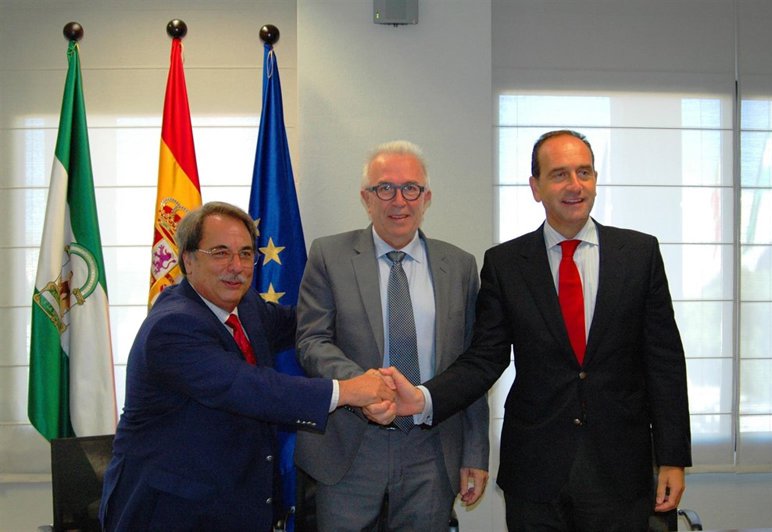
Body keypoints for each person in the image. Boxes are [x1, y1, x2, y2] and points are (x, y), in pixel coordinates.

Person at [385, 130, 692, 531]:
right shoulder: (506, 264)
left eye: (584, 172)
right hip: (536, 473)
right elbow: (485, 359)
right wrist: (424, 398)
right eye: (560, 174)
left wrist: (672, 457)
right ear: (536, 187)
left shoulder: (639, 254)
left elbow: (664, 362)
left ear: (595, 180)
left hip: (620, 471)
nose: (575, 185)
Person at [98, 201, 394, 531]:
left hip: (230, 504)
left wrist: (372, 313)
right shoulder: (173, 326)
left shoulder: (245, 305)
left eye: (245, 253)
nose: (236, 266)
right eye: (220, 253)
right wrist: (348, 390)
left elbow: (302, 323)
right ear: (188, 260)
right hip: (170, 512)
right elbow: (251, 388)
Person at [293, 140, 490, 531]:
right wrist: (365, 389)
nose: (399, 200)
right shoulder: (329, 255)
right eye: (385, 188)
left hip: (431, 445)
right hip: (349, 443)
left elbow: (472, 365)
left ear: (426, 198)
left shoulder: (460, 266)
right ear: (366, 198)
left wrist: (475, 451)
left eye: (410, 188)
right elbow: (312, 341)